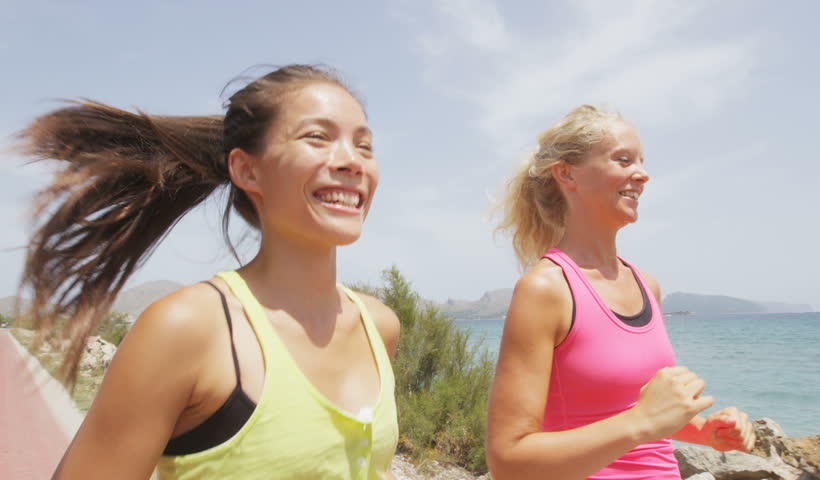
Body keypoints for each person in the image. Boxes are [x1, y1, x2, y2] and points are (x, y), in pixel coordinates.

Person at [18, 65, 400, 479]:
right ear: (247, 170)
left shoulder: (378, 327)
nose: (352, 161)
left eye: (364, 146)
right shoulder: (187, 329)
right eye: (317, 137)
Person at [486, 105, 755, 479]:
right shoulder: (546, 290)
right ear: (567, 174)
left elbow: (632, 410)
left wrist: (705, 432)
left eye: (642, 162)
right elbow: (508, 460)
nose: (642, 174)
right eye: (623, 160)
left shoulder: (647, 286)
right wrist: (641, 422)